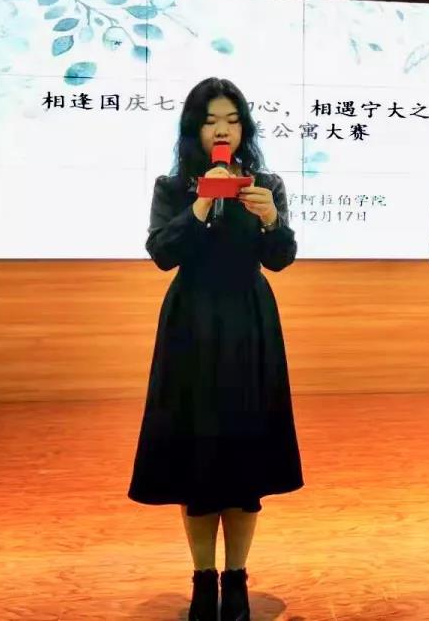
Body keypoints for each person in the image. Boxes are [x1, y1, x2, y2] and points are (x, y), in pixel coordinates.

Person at [128, 77, 303, 621]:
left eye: (231, 119)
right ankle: (203, 578)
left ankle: (237, 578)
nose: (221, 130)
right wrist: (202, 202)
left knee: (245, 456)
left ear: (244, 127)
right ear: (193, 130)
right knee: (197, 455)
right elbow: (162, 253)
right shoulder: (173, 187)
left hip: (250, 322)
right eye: (210, 121)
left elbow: (280, 258)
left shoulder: (265, 183)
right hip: (192, 325)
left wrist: (271, 219)